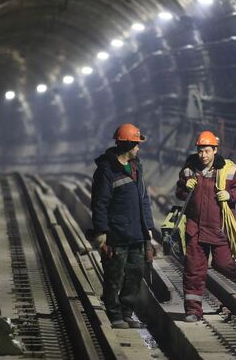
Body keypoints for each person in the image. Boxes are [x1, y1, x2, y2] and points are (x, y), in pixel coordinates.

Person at [176, 131, 236, 322]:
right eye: (200, 151)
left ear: (215, 150)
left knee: (223, 263)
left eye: (207, 151)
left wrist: (230, 195)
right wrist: (186, 187)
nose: (203, 155)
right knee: (193, 269)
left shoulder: (227, 169)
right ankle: (193, 310)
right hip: (196, 227)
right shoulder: (189, 168)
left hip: (219, 227)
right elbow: (179, 192)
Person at [87, 123, 155, 329]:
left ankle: (127, 313)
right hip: (116, 235)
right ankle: (114, 314)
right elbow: (99, 204)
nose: (138, 148)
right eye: (136, 144)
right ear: (127, 145)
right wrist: (102, 234)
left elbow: (144, 200)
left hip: (137, 234)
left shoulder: (136, 167)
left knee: (134, 275)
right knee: (114, 276)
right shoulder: (106, 172)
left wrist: (148, 229)